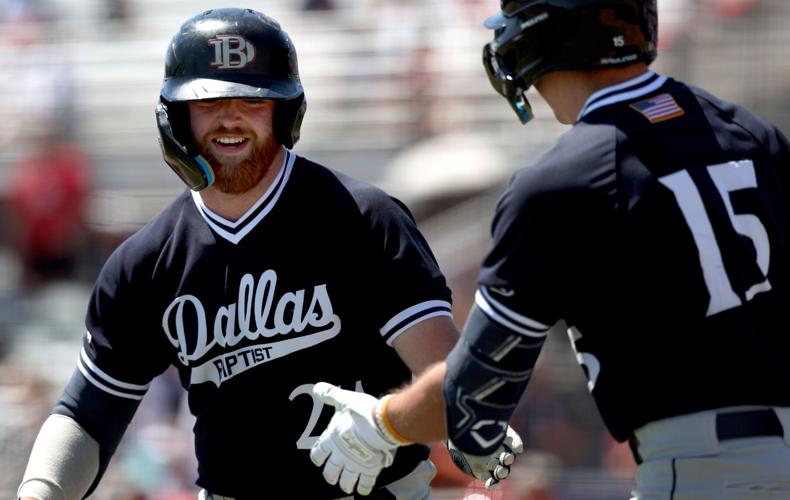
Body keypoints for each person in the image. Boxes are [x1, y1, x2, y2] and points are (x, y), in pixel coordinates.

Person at [14, 8, 514, 499]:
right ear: (176, 116)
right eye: (208, 101)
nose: (230, 118)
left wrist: (399, 425)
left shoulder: (362, 219)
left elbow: (451, 379)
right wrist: (39, 492)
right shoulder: (142, 264)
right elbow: (88, 413)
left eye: (252, 101)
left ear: (285, 111)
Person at [309, 1, 790, 498]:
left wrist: (384, 421)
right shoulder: (754, 133)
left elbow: (474, 400)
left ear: (549, 30)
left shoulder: (564, 181)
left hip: (702, 469)